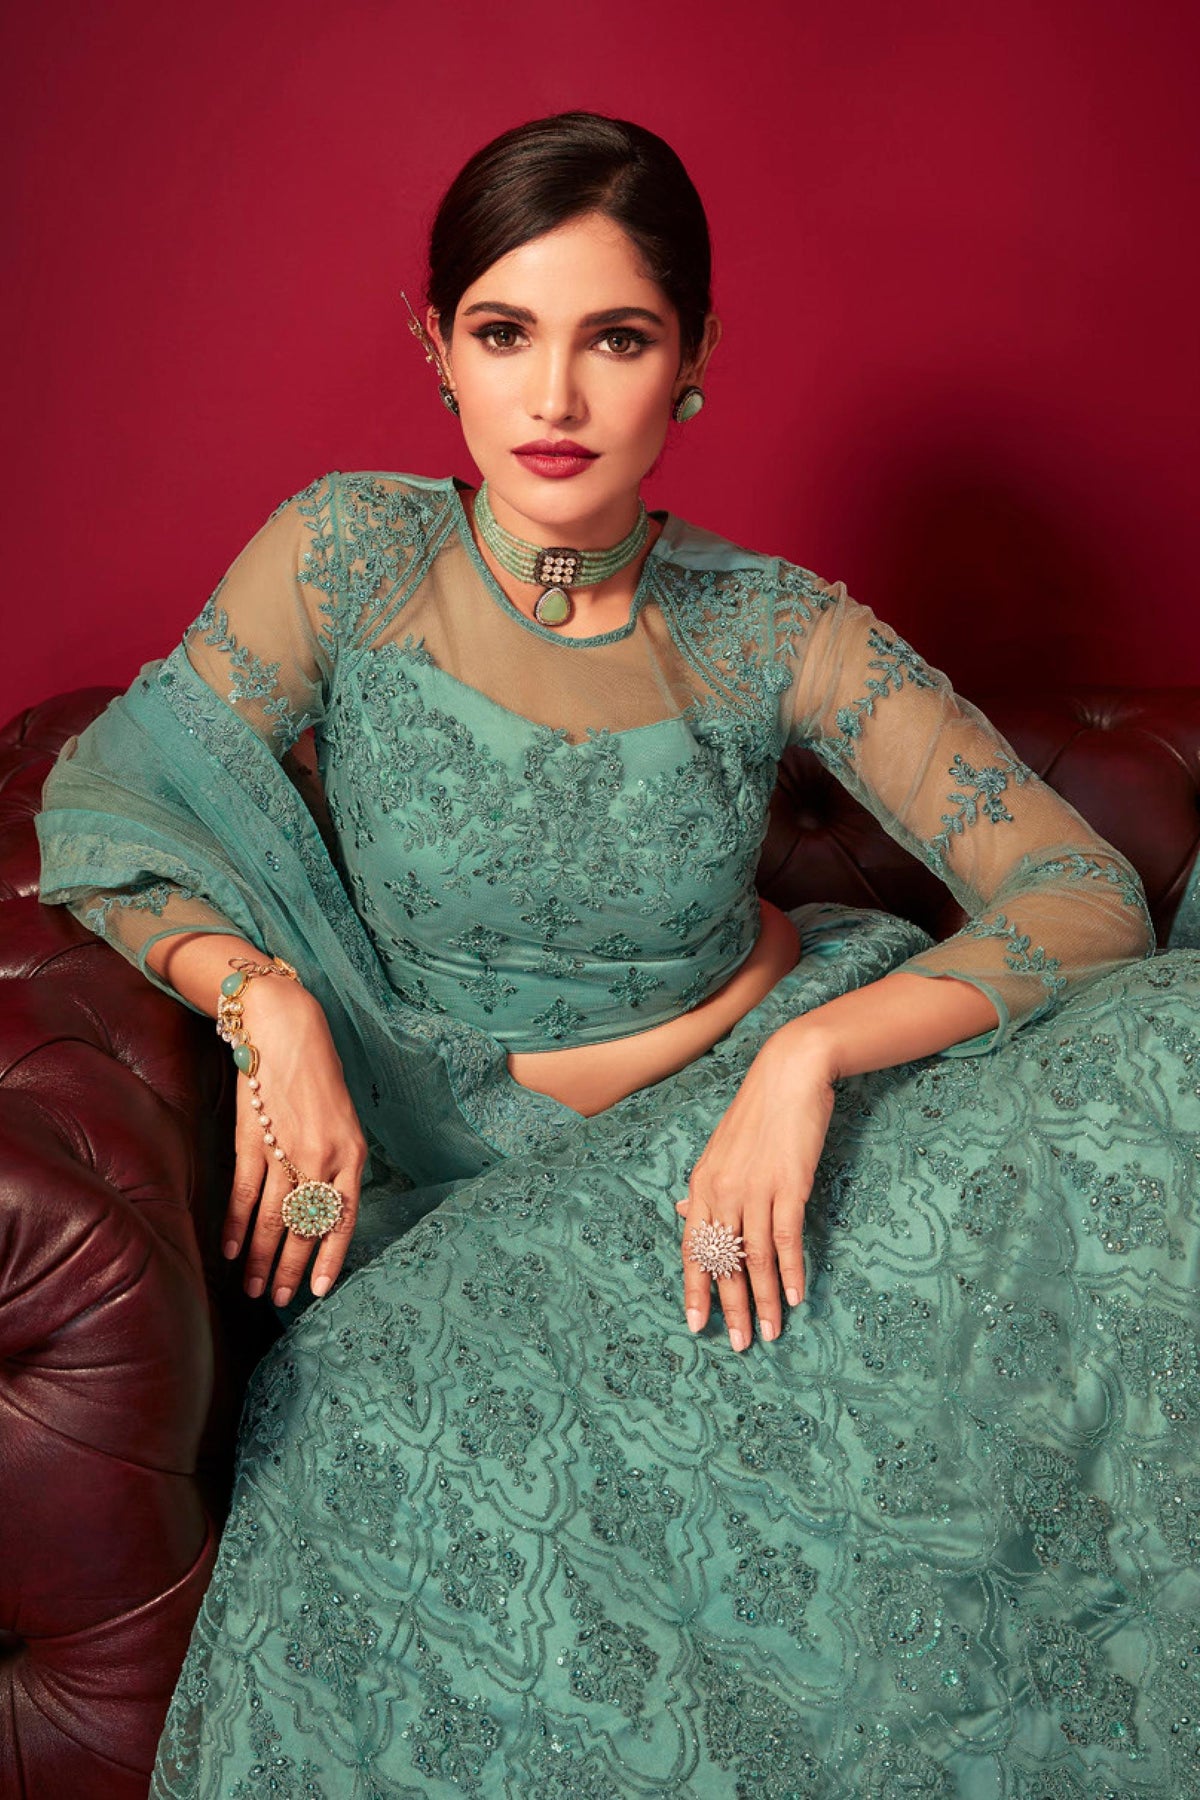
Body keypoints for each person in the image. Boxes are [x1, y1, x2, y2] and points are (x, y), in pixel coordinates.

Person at [34, 110, 1198, 1798]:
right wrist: (264, 1000)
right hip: (467, 1197)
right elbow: (114, 799)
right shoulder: (349, 558)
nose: (558, 398)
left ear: (694, 361)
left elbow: (1082, 892)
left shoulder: (774, 626)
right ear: (437, 348)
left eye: (619, 339)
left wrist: (806, 1054)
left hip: (759, 1138)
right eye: (507, 333)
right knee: (403, 1441)